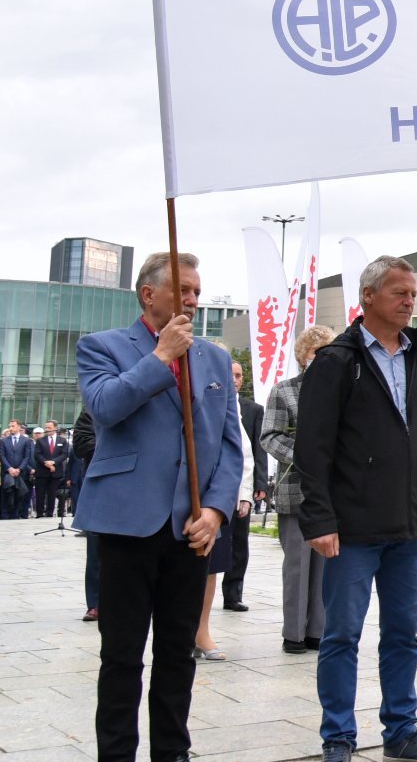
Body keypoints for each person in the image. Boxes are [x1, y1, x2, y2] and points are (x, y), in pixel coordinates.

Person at [74, 251, 245, 762]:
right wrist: (159, 358)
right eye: (184, 290)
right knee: (122, 657)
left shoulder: (214, 358)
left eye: (197, 290)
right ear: (149, 294)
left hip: (189, 528)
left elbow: (229, 442)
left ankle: (172, 751)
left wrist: (214, 510)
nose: (194, 299)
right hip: (128, 524)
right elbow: (104, 407)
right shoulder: (102, 347)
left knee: (177, 653)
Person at [296, 256, 417, 762]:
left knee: (403, 634)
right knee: (341, 635)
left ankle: (401, 731)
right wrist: (318, 518)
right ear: (367, 297)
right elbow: (312, 448)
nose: (410, 301)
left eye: (413, 294)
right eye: (399, 293)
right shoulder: (336, 361)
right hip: (352, 528)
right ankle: (338, 738)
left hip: (408, 526)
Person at [261, 324, 337, 654]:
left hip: (332, 493)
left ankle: (317, 631)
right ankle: (293, 632)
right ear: (304, 357)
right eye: (319, 353)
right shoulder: (284, 391)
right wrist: (304, 456)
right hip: (295, 488)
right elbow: (270, 436)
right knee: (297, 565)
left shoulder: (340, 392)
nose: (325, 360)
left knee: (325, 566)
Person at [192, 347, 256, 663]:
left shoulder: (229, 403)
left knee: (211, 566)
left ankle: (201, 630)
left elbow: (240, 451)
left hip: (215, 499)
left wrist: (242, 494)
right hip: (178, 493)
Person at [223, 358, 267, 612]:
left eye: (239, 376)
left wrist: (259, 484)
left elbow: (258, 450)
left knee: (239, 543)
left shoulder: (253, 410)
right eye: (232, 375)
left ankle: (233, 593)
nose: (236, 380)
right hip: (219, 486)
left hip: (244, 482)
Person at [72, 409, 101, 622]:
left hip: (137, 489)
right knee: (96, 550)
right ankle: (96, 604)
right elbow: (81, 445)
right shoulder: (92, 410)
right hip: (101, 487)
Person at [30, 421, 70, 518]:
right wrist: (47, 463)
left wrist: (53, 462)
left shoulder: (62, 441)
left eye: (49, 427)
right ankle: (39, 513)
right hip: (42, 471)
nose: (47, 429)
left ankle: (49, 513)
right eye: (46, 427)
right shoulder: (40, 440)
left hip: (55, 472)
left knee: (52, 493)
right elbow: (37, 454)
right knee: (40, 493)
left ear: (55, 428)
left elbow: (64, 454)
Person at [0, 420, 33, 519]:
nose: (11, 428)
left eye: (13, 426)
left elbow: (26, 457)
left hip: (20, 472)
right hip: (7, 472)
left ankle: (16, 514)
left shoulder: (26, 441)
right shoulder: (4, 440)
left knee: (19, 493)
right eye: (10, 426)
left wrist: (19, 469)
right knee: (6, 493)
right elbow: (2, 456)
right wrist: (9, 468)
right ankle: (5, 514)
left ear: (19, 427)